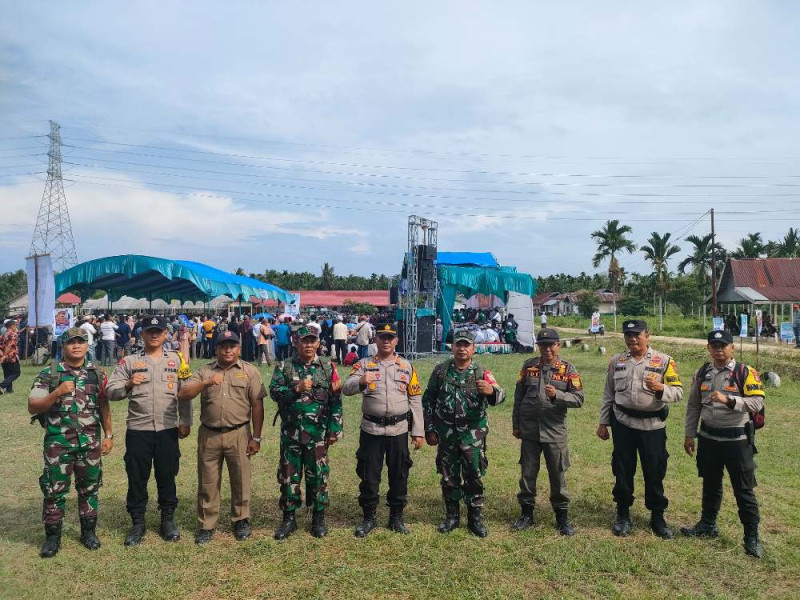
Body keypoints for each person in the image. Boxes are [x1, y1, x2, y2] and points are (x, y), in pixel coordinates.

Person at [106, 315, 193, 546]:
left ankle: (168, 520)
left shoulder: (178, 361)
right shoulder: (129, 362)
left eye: (159, 331)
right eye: (149, 331)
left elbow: (185, 393)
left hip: (167, 429)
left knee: (167, 474)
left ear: (166, 334)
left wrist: (185, 420)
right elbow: (110, 391)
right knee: (137, 476)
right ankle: (137, 523)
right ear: (141, 334)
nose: (154, 335)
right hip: (139, 429)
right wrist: (128, 383)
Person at [27, 327, 114, 557]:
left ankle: (88, 533)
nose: (76, 346)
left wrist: (109, 435)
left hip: (90, 444)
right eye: (71, 342)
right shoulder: (49, 374)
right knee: (55, 491)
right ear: (63, 347)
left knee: (90, 489)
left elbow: (104, 404)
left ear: (87, 346)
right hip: (58, 444)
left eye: (81, 342)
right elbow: (32, 406)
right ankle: (52, 538)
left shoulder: (97, 373)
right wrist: (56, 393)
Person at [681, 329, 766, 558]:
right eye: (714, 346)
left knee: (743, 490)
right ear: (709, 348)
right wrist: (690, 434)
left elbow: (757, 402)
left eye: (723, 346)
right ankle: (707, 524)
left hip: (736, 441)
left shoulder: (745, 372)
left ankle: (752, 536)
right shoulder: (702, 373)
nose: (719, 350)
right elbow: (693, 406)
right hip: (709, 439)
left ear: (732, 348)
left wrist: (728, 400)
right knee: (710, 484)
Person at [596, 319, 683, 539]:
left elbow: (678, 393)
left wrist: (661, 388)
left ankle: (657, 516)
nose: (632, 339)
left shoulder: (664, 361)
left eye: (637, 334)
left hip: (652, 426)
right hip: (623, 424)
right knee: (623, 470)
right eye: (628, 335)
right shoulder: (617, 361)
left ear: (647, 335)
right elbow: (609, 394)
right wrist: (603, 422)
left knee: (654, 470)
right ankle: (623, 514)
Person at [178, 330, 266, 544]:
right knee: (207, 482)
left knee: (241, 480)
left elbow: (257, 405)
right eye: (223, 346)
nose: (228, 349)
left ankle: (241, 520)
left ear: (239, 348)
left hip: (239, 433)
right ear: (216, 348)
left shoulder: (250, 371)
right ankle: (207, 524)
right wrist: (206, 383)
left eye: (232, 346)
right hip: (209, 434)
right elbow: (184, 394)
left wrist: (256, 437)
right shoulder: (204, 371)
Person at [342, 322, 424, 537]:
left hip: (398, 430)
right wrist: (360, 381)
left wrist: (418, 431)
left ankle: (396, 517)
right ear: (375, 340)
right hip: (371, 430)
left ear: (396, 341)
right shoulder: (363, 364)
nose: (386, 341)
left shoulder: (406, 366)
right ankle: (368, 517)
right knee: (369, 475)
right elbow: (346, 388)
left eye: (390, 338)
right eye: (382, 337)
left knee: (399, 475)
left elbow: (415, 399)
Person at [422, 329, 505, 537]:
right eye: (458, 344)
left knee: (474, 475)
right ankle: (452, 517)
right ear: (452, 347)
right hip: (447, 435)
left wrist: (491, 391)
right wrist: (429, 429)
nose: (462, 348)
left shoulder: (481, 372)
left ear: (473, 349)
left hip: (472, 436)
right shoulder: (441, 371)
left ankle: (474, 519)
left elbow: (501, 395)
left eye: (466, 345)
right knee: (448, 476)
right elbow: (428, 399)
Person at [269, 326, 343, 539]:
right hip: (291, 433)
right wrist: (296, 389)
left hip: (318, 434)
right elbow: (274, 392)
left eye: (312, 341)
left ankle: (318, 518)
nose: (308, 345)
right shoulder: (285, 366)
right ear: (295, 342)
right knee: (288, 475)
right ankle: (289, 518)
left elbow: (335, 400)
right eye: (304, 341)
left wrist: (334, 428)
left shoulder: (327, 367)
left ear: (318, 343)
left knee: (318, 475)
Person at [512, 328, 584, 535]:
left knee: (557, 475)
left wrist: (558, 396)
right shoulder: (528, 366)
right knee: (527, 473)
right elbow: (519, 397)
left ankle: (562, 518)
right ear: (538, 346)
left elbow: (579, 399)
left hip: (554, 432)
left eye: (551, 344)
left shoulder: (568, 369)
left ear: (558, 345)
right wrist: (516, 425)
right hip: (530, 431)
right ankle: (526, 514)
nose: (547, 349)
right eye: (543, 345)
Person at [0, 319, 21, 394]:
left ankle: (9, 390)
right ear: (12, 326)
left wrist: (2, 356)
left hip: (3, 358)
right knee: (16, 373)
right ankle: (1, 386)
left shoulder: (3, 335)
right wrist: (5, 356)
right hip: (11, 357)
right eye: (15, 325)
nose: (16, 327)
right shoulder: (13, 334)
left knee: (7, 374)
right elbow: (9, 345)